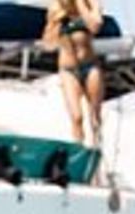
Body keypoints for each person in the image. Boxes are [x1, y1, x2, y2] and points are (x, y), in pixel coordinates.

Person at [44, 0, 105, 148]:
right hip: (68, 71)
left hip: (90, 67)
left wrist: (80, 4)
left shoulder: (92, 4)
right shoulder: (57, 7)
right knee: (76, 117)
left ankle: (96, 148)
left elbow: (95, 26)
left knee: (95, 118)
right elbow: (48, 44)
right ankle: (79, 148)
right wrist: (55, 23)